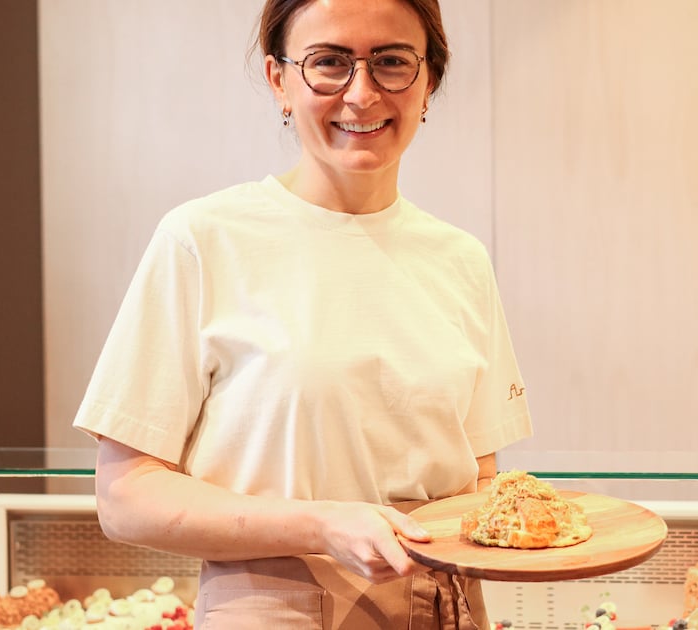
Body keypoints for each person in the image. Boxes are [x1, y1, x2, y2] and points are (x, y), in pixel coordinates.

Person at [71, 0, 533, 627]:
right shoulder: (204, 239)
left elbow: (477, 483)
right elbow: (125, 498)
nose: (361, 94)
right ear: (279, 79)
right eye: (330, 63)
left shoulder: (461, 259)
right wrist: (321, 523)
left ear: (428, 81)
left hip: (447, 608)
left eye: (392, 62)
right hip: (276, 606)